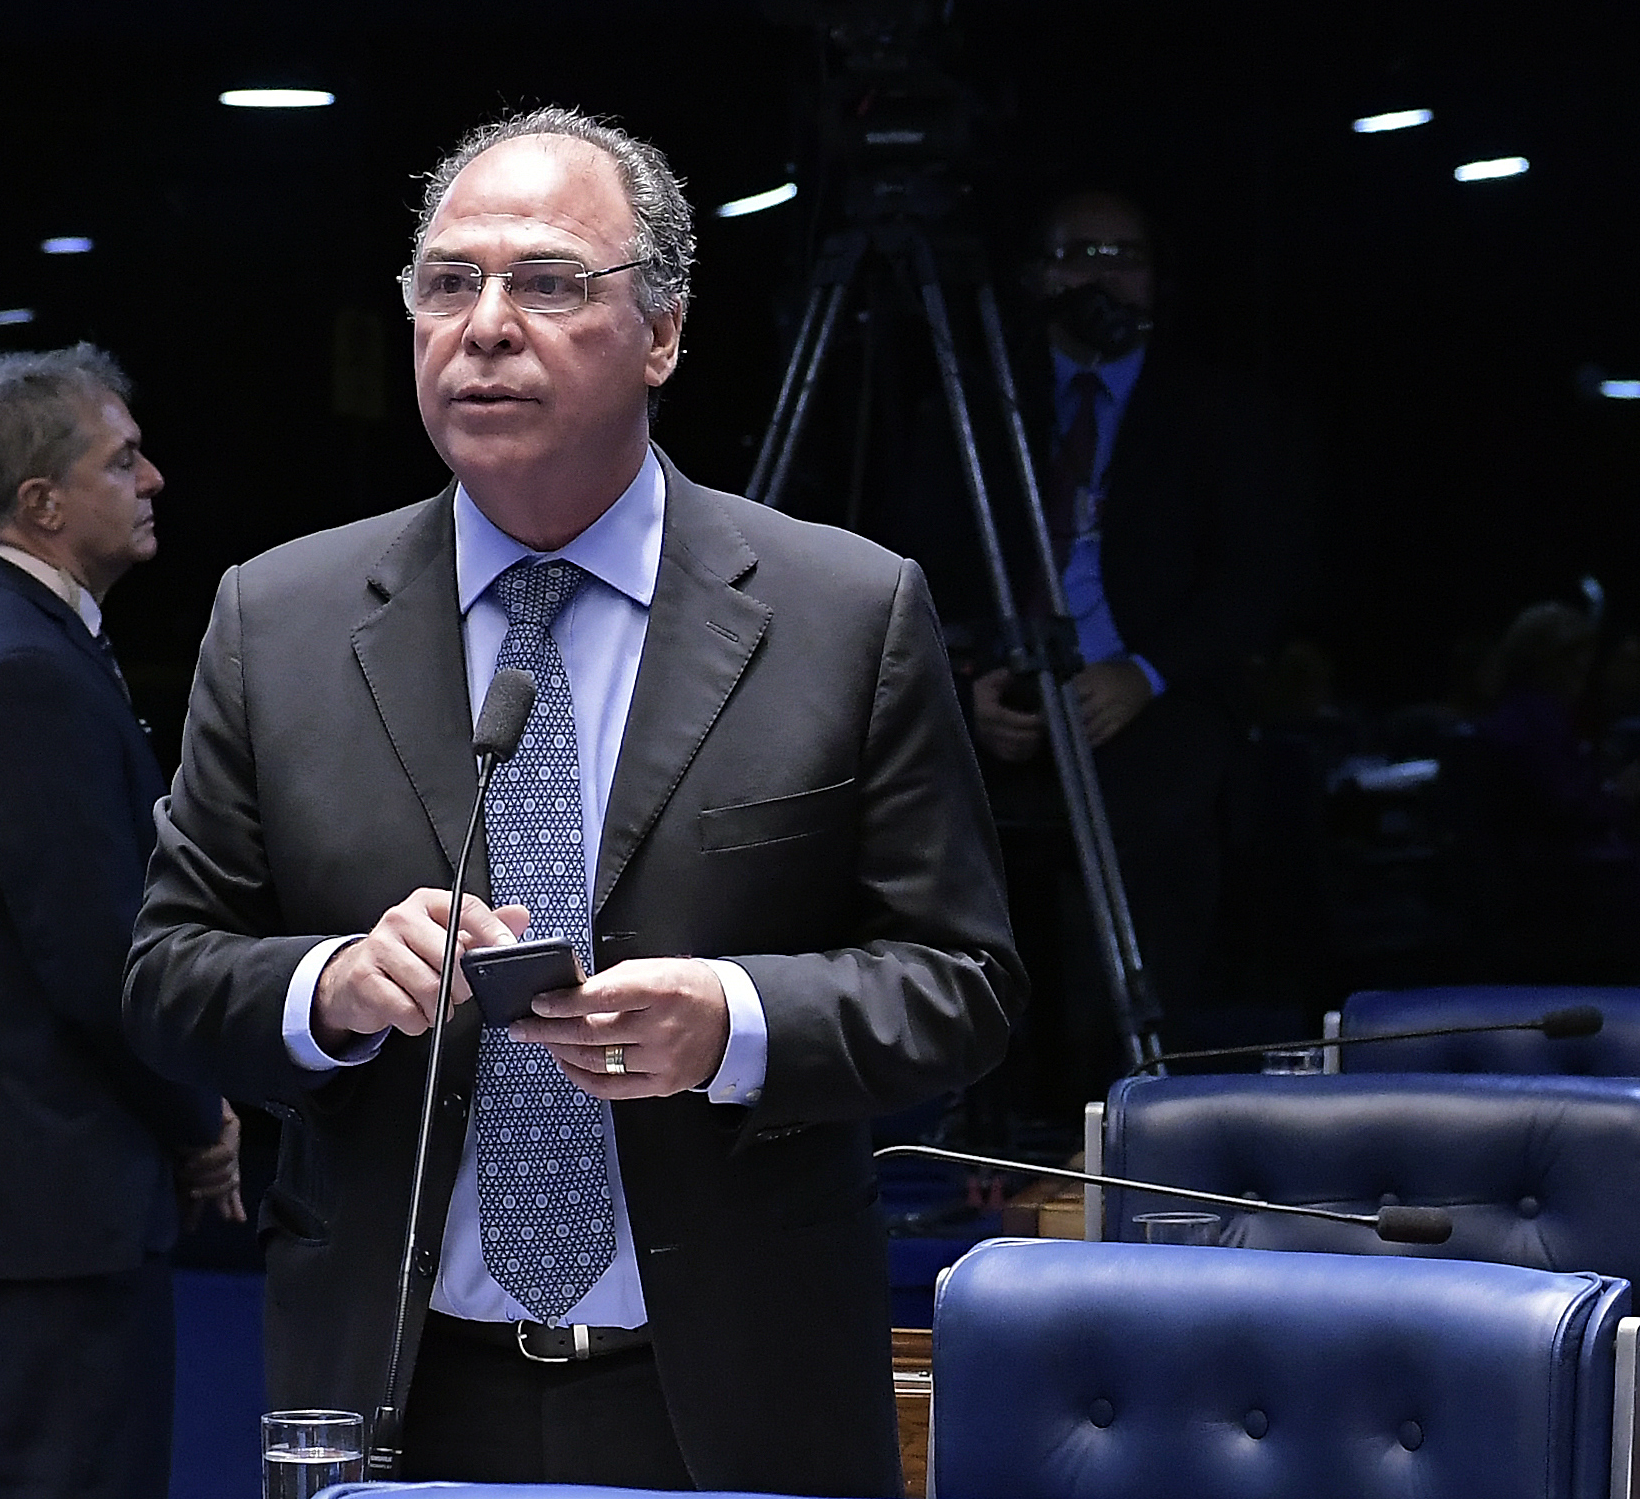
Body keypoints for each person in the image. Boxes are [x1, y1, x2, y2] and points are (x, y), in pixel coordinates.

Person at [122, 108, 1020, 1496]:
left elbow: (960, 985)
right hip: (398, 1388)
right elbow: (169, 974)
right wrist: (335, 987)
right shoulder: (279, 621)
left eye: (545, 283)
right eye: (445, 282)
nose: (482, 325)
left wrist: (736, 1022)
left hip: (730, 1394)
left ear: (659, 335)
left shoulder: (841, 613)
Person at [0, 344, 241, 1499]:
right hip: (55, 1201)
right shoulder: (17, 669)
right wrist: (198, 1119)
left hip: (19, 1197)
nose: (153, 481)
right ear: (42, 502)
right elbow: (97, 960)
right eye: (121, 459)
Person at [954, 188, 1304, 1093]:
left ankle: (1128, 1103)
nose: (1103, 278)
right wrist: (971, 682)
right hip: (1009, 692)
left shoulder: (1217, 409)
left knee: (1157, 827)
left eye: (1126, 257)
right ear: (1038, 276)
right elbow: (912, 558)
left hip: (1151, 694)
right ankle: (992, 1117)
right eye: (1082, 255)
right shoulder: (978, 401)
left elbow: (1256, 581)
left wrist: (1144, 674)